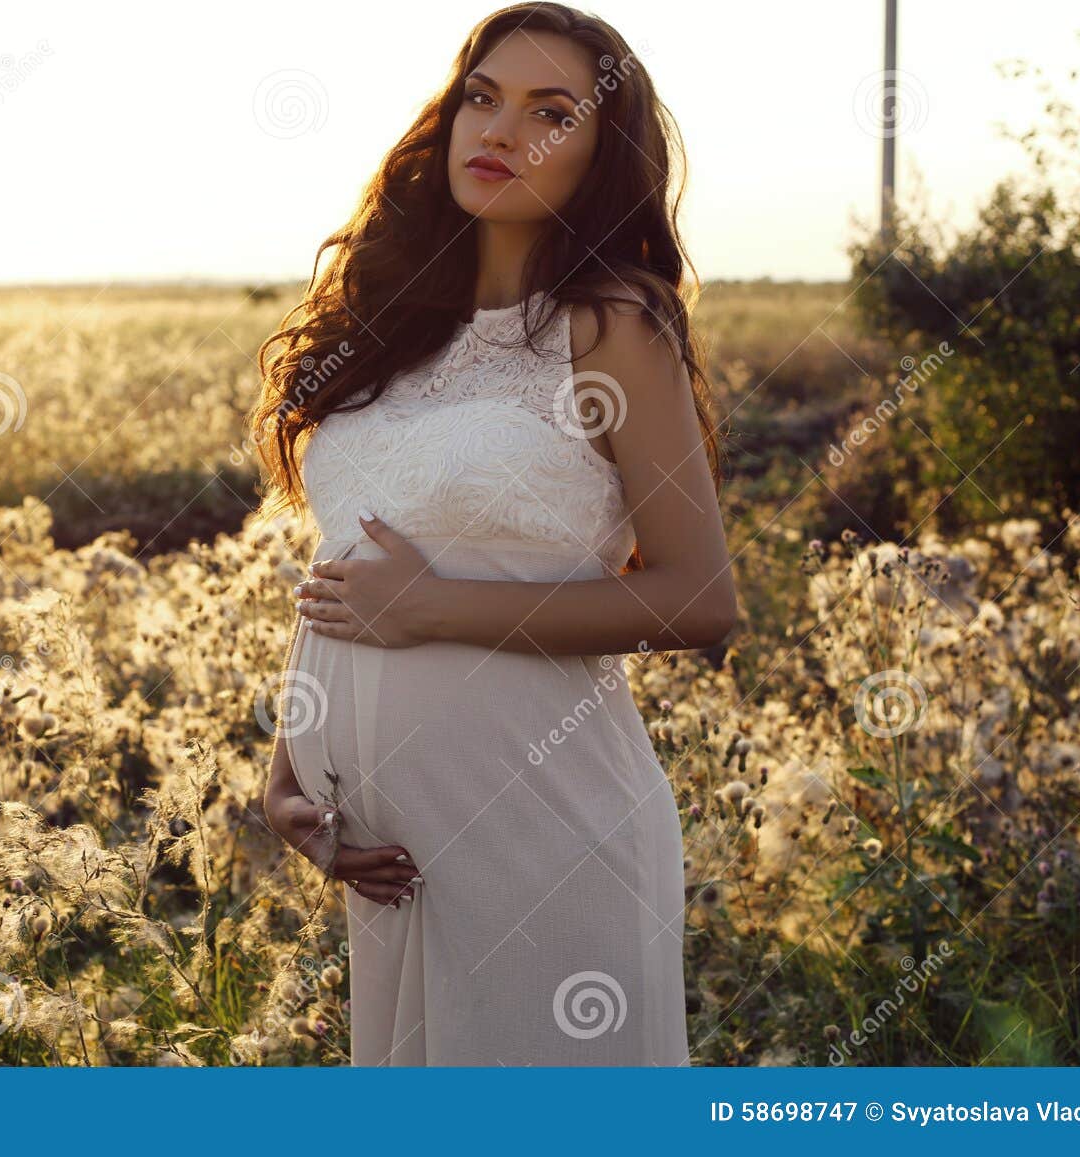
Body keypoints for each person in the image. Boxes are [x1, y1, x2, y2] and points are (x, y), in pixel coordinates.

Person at [250, 1, 736, 1066]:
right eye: (483, 96)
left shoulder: (609, 323)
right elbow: (347, 560)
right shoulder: (389, 326)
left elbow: (702, 597)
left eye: (550, 114)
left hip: (549, 831)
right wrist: (291, 761)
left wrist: (437, 606)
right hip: (396, 857)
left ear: (602, 160)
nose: (501, 131)